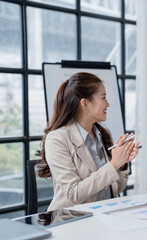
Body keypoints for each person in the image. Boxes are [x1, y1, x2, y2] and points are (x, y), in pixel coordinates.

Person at [38, 72, 140, 211]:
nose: (108, 103)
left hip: (105, 215)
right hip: (72, 219)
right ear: (85, 103)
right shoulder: (57, 139)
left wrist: (122, 162)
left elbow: (116, 189)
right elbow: (74, 194)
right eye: (103, 97)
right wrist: (113, 163)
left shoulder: (103, 134)